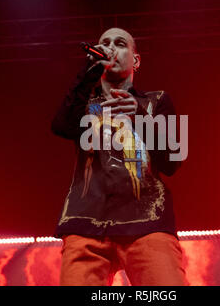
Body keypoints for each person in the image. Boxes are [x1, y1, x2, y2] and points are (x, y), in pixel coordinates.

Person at [51, 27, 188, 286]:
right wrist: (87, 73)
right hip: (86, 223)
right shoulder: (86, 105)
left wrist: (140, 116)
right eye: (104, 43)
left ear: (136, 60)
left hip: (147, 222)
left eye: (120, 43)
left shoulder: (155, 101)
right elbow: (60, 126)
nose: (111, 48)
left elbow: (173, 160)